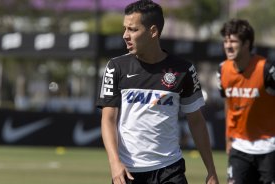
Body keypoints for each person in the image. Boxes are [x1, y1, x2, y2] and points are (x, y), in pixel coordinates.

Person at [97, 1, 219, 184]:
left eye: (132, 29)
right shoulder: (116, 67)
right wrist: (115, 163)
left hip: (170, 169)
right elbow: (108, 119)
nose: (125, 36)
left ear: (153, 32)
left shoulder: (184, 69)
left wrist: (211, 171)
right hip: (128, 172)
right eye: (125, 29)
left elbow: (196, 121)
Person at [217, 18, 275, 184]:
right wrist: (228, 138)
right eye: (225, 41)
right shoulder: (222, 70)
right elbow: (228, 103)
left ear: (247, 43)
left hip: (269, 147)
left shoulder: (266, 70)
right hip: (239, 147)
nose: (228, 45)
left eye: (233, 41)